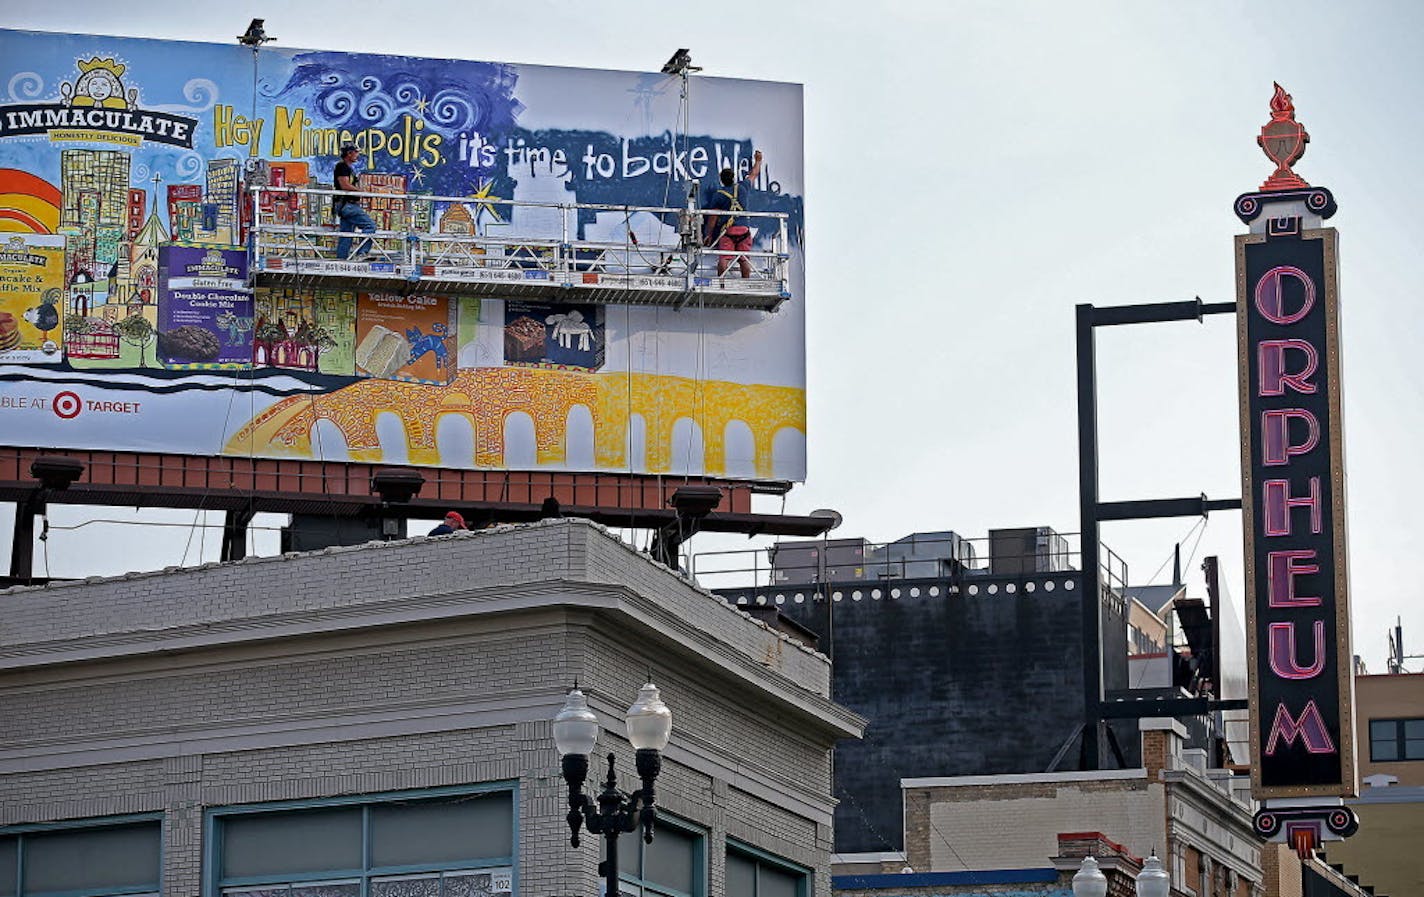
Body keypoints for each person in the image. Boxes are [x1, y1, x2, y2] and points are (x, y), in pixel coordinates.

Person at [703, 149, 763, 278]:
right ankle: (745, 282)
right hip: (744, 230)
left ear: (721, 180)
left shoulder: (718, 195)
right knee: (743, 258)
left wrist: (708, 234)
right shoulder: (743, 187)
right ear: (733, 178)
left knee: (724, 258)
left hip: (728, 231)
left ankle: (722, 282)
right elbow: (753, 174)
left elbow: (713, 218)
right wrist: (758, 161)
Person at [333, 144, 376, 260]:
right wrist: (361, 191)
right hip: (348, 205)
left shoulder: (347, 168)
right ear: (349, 153)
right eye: (356, 152)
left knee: (346, 234)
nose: (358, 155)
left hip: (346, 205)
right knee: (370, 225)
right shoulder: (342, 167)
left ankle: (341, 260)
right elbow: (344, 185)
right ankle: (362, 253)